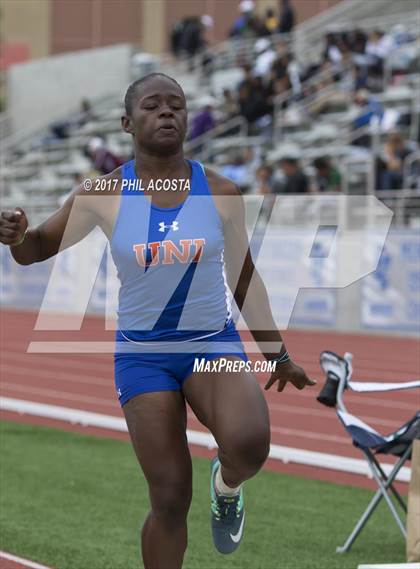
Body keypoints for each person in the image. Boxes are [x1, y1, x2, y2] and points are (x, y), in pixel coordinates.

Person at [0, 73, 314, 569]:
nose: (167, 112)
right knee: (169, 498)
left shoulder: (219, 190)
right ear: (127, 123)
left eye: (177, 105)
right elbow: (36, 248)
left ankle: (227, 486)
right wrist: (18, 236)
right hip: (143, 356)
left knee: (250, 444)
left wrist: (279, 354)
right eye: (153, 106)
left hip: (212, 344)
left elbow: (245, 279)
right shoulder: (103, 194)